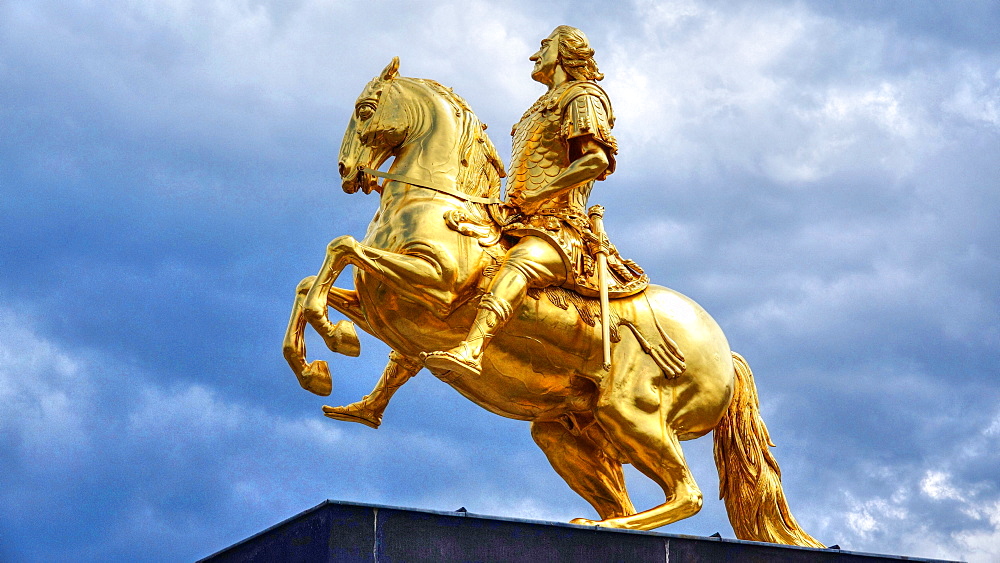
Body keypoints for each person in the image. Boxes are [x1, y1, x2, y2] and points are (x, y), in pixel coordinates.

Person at [424, 25, 645, 379]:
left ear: (565, 54)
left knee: (519, 264)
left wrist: (540, 194)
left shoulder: (582, 97)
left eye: (545, 45)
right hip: (519, 218)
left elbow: (595, 161)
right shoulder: (538, 107)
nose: (534, 54)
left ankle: (472, 348)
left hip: (561, 228)